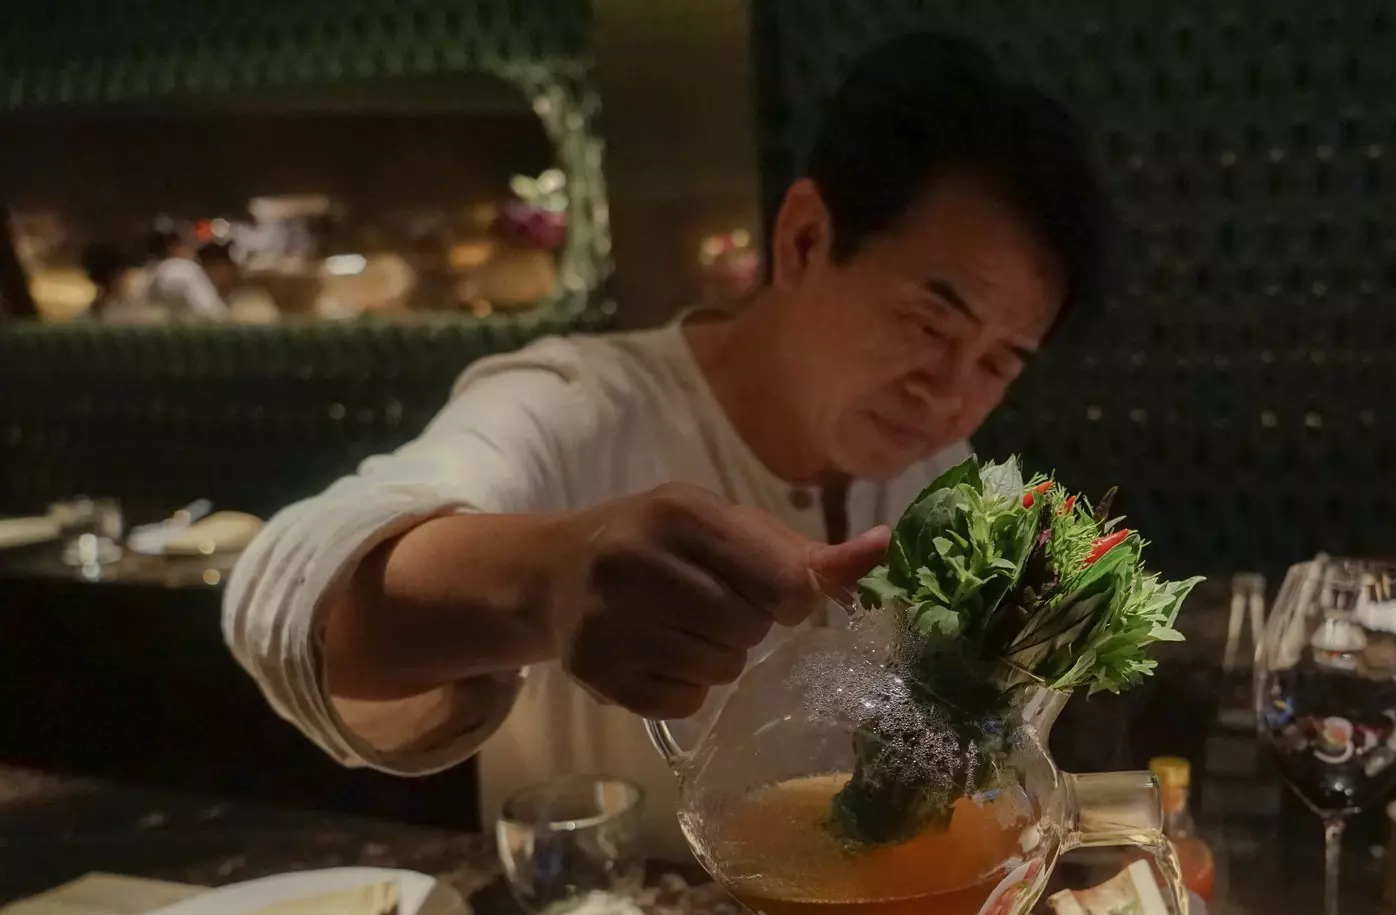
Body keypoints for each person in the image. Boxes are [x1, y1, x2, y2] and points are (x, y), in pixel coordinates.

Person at [225, 32, 1113, 851]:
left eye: (1000, 361)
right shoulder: (575, 403)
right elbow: (290, 591)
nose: (951, 392)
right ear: (805, 237)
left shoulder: (941, 481)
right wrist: (553, 577)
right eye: (929, 318)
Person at [138, 219, 229, 320]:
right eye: (190, 241)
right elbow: (210, 312)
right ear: (174, 246)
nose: (194, 247)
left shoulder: (152, 272)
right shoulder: (185, 270)